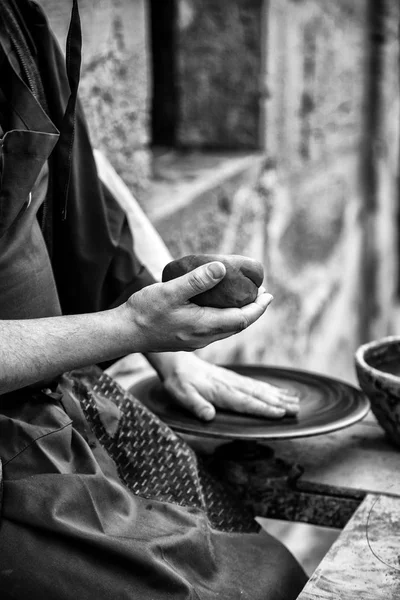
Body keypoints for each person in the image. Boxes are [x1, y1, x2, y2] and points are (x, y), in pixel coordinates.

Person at [0, 1, 307, 598]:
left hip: (60, 388)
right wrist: (131, 326)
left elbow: (81, 163)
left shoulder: (20, 21)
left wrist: (168, 338)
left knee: (261, 556)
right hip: (11, 453)